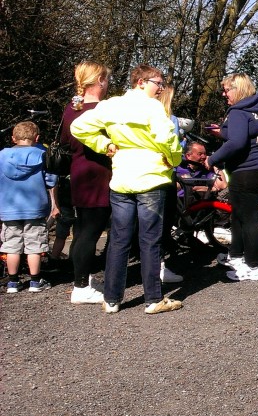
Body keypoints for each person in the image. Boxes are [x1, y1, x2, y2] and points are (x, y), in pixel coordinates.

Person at [71, 64, 183, 314]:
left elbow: (78, 127)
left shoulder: (111, 105)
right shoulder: (152, 107)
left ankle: (111, 299)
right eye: (157, 83)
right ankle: (153, 299)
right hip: (151, 178)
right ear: (141, 82)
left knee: (119, 239)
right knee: (150, 239)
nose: (160, 89)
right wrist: (174, 159)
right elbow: (167, 138)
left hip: (121, 178)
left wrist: (105, 144)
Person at [206, 73, 258, 280]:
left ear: (238, 90)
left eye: (227, 90)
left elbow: (237, 143)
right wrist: (225, 132)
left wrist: (212, 159)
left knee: (249, 219)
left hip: (248, 169)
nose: (224, 94)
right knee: (238, 215)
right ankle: (236, 255)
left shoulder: (238, 112)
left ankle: (253, 266)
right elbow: (247, 136)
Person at [61, 61, 112, 304]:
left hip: (79, 172)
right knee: (91, 232)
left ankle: (84, 279)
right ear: (99, 80)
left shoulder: (72, 107)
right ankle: (81, 287)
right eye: (106, 79)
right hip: (98, 173)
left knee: (81, 229)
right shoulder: (103, 109)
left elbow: (64, 139)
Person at [1, 121, 59, 293]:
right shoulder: (42, 154)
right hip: (35, 207)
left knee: (11, 244)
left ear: (13, 138)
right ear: (37, 138)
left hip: (8, 207)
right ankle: (35, 281)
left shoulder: (2, 155)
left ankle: (13, 281)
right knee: (35, 244)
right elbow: (51, 181)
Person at [155, 85, 184, 283]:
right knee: (163, 223)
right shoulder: (169, 120)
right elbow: (175, 148)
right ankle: (159, 267)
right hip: (165, 174)